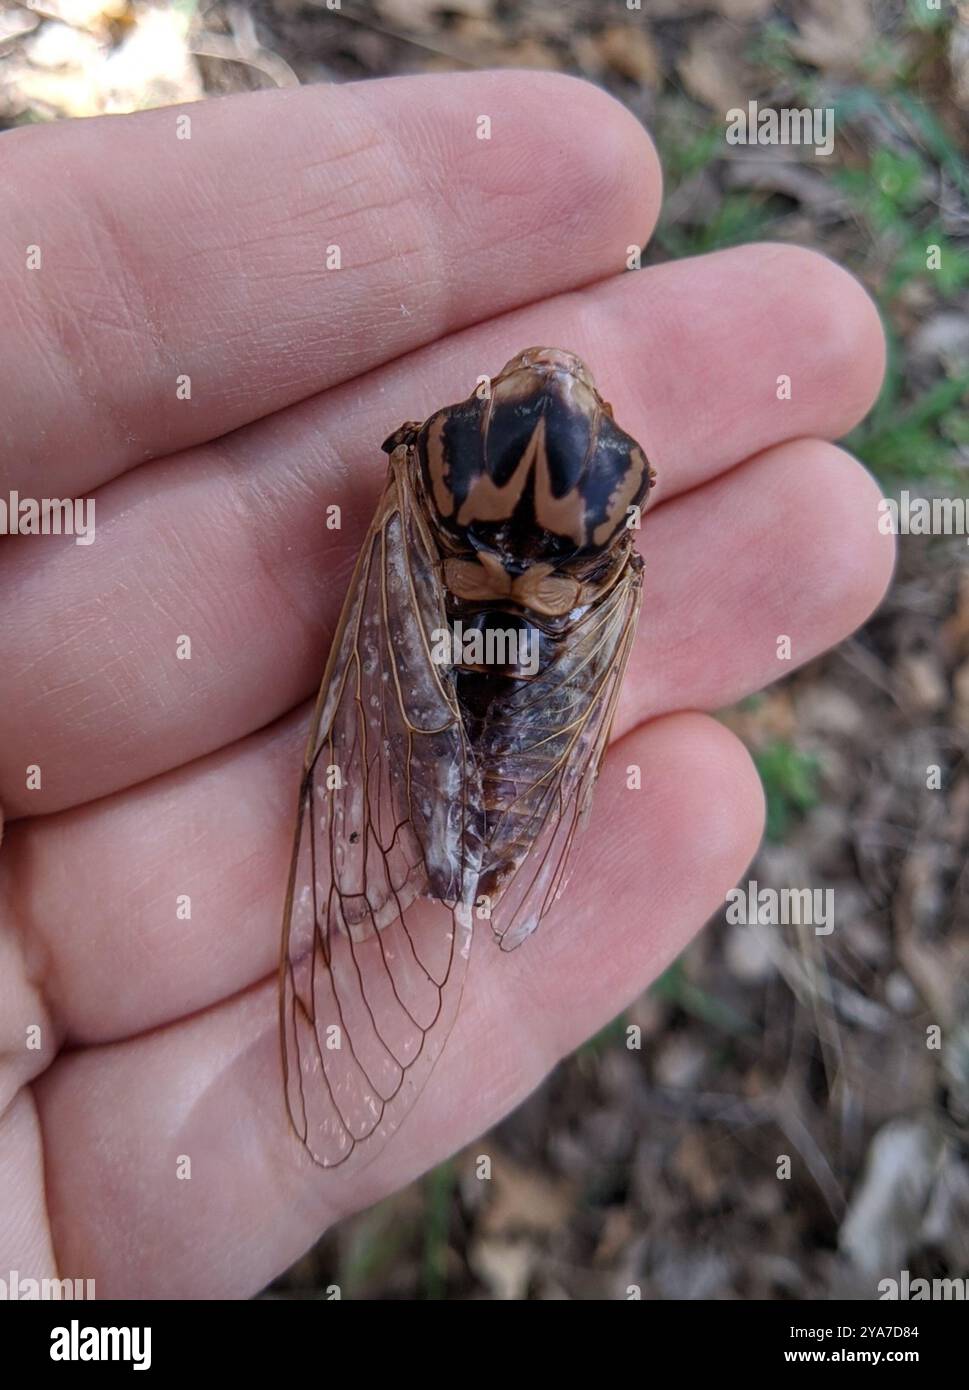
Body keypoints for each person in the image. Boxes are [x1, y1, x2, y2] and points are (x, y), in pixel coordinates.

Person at [0, 70, 893, 1297]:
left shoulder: (422, 479)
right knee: (525, 758)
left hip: (428, 666)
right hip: (532, 706)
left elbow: (386, 540)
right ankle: (490, 850)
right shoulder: (607, 552)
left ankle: (463, 853)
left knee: (366, 774)